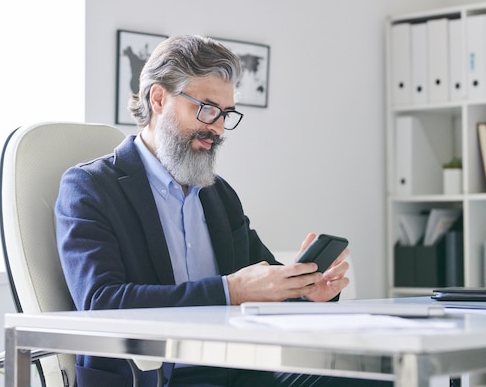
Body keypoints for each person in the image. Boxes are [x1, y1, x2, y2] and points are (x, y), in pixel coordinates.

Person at [55, 34, 389, 387]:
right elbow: (101, 302)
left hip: (236, 369)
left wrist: (309, 291)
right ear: (158, 98)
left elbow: (263, 279)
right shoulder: (90, 187)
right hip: (152, 377)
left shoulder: (219, 193)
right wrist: (229, 291)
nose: (217, 127)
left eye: (225, 114)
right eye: (207, 108)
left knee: (375, 372)